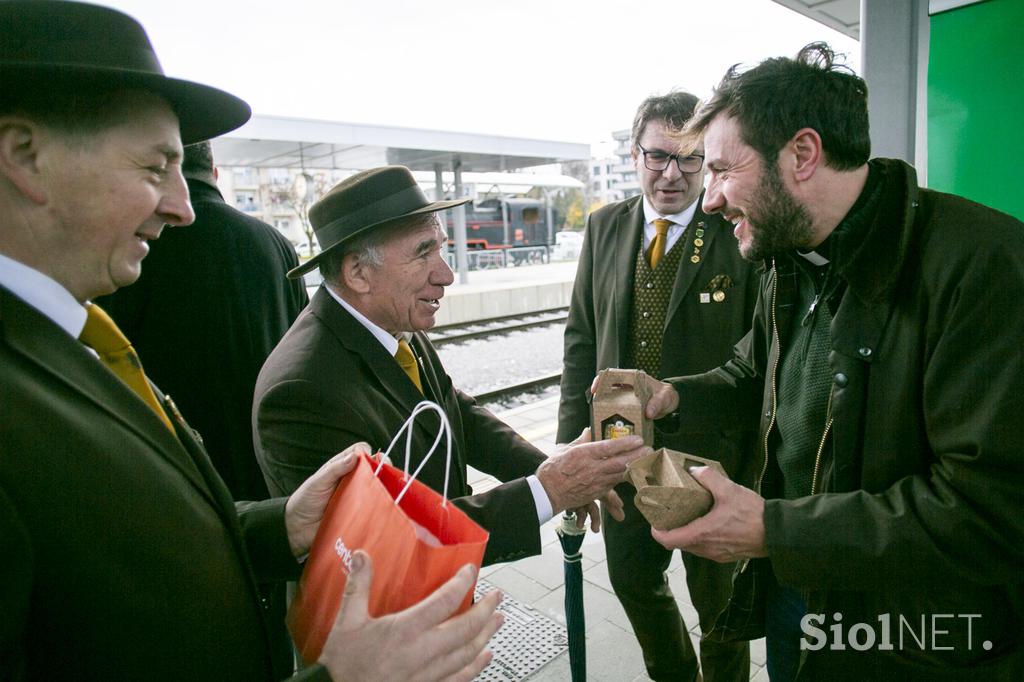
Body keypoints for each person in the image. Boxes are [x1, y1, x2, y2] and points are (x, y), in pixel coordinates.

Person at [0, 3, 501, 680]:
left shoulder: (77, 337)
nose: (181, 206)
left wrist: (281, 524)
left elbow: (139, 543)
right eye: (154, 169)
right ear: (25, 156)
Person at [643, 43, 1024, 681]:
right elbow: (751, 372)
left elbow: (988, 512)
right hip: (800, 591)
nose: (706, 199)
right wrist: (671, 398)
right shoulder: (785, 255)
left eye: (721, 171)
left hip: (914, 638)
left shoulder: (985, 269)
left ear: (801, 154)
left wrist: (774, 531)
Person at [253, 165, 651, 567]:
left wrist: (548, 468)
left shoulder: (389, 320)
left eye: (440, 247)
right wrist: (547, 490)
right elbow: (389, 545)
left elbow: (452, 409)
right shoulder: (301, 392)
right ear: (357, 273)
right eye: (423, 251)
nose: (446, 274)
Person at [557, 91, 757, 682]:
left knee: (719, 604)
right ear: (636, 152)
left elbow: (756, 353)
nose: (672, 174)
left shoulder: (736, 233)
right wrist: (573, 450)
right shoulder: (604, 227)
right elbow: (581, 343)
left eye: (690, 159)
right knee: (634, 583)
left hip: (705, 460)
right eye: (658, 156)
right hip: (621, 452)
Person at [98, 140, 308, 502]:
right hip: (273, 471)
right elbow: (304, 347)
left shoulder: (131, 251)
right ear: (215, 172)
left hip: (174, 477)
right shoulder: (276, 244)